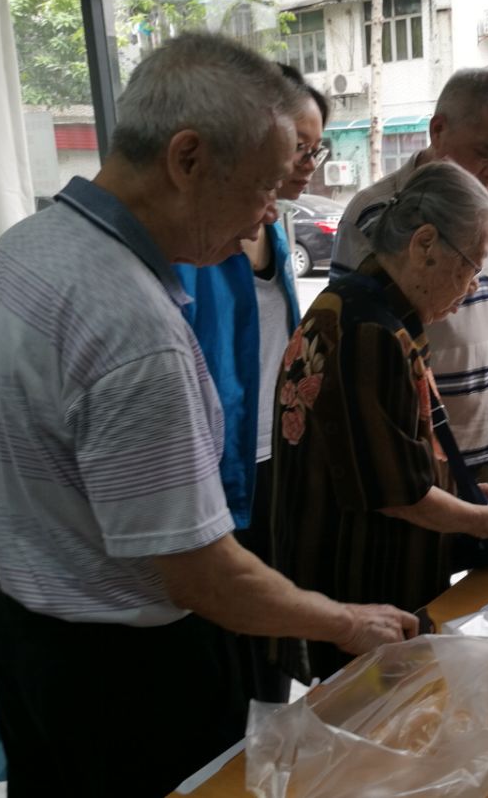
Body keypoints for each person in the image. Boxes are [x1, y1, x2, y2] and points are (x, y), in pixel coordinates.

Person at [0, 33, 416, 798]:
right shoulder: (132, 328)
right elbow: (202, 575)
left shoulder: (20, 251)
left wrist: (58, 538)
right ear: (188, 159)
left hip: (22, 633)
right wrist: (343, 620)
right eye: (264, 184)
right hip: (124, 678)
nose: (267, 212)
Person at [270, 161, 488, 682]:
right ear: (424, 244)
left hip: (351, 570)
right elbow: (400, 493)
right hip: (360, 585)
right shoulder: (369, 330)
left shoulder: (365, 303)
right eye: (470, 266)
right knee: (374, 730)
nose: (471, 288)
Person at [173, 63, 329, 703]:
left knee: (267, 634)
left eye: (317, 149)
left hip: (272, 459)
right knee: (220, 634)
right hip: (212, 465)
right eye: (300, 146)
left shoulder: (276, 228)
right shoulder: (197, 242)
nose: (308, 163)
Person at [330, 68, 488, 487]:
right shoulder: (375, 212)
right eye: (485, 152)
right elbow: (350, 333)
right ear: (438, 130)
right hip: (426, 452)